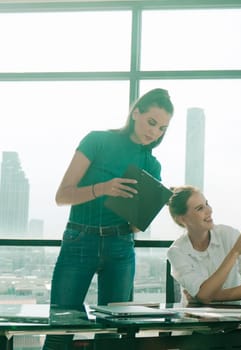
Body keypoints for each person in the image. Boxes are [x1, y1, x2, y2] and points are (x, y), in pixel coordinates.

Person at [44, 88, 174, 350]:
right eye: (151, 122)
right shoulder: (97, 141)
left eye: (161, 128)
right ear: (136, 112)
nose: (154, 132)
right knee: (60, 329)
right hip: (80, 240)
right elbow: (62, 195)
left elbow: (136, 225)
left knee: (112, 335)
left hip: (121, 246)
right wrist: (103, 188)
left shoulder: (153, 165)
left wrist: (150, 207)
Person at [166, 185, 241, 306]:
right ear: (182, 219)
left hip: (237, 319)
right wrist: (234, 252)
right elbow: (204, 295)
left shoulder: (229, 235)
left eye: (207, 204)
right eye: (200, 208)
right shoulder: (176, 252)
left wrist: (209, 296)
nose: (209, 210)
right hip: (196, 320)